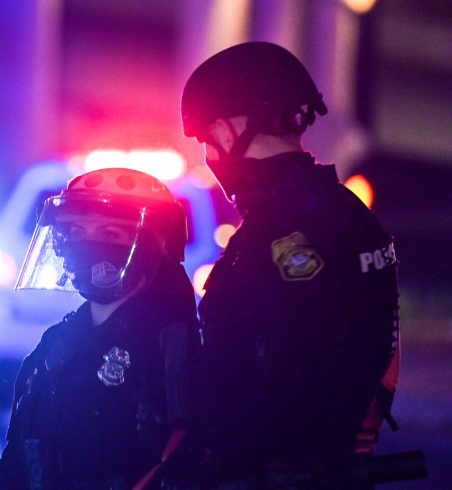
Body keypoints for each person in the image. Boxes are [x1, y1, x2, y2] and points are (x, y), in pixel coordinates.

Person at [158, 41, 403, 488]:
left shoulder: (282, 231)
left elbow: (296, 378)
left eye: (208, 140)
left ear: (230, 132)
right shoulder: (348, 214)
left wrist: (204, 458)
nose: (211, 156)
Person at [0, 167, 199, 489]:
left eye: (110, 234)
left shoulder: (173, 351)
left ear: (154, 246)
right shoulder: (56, 344)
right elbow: (17, 459)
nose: (86, 245)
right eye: (74, 231)